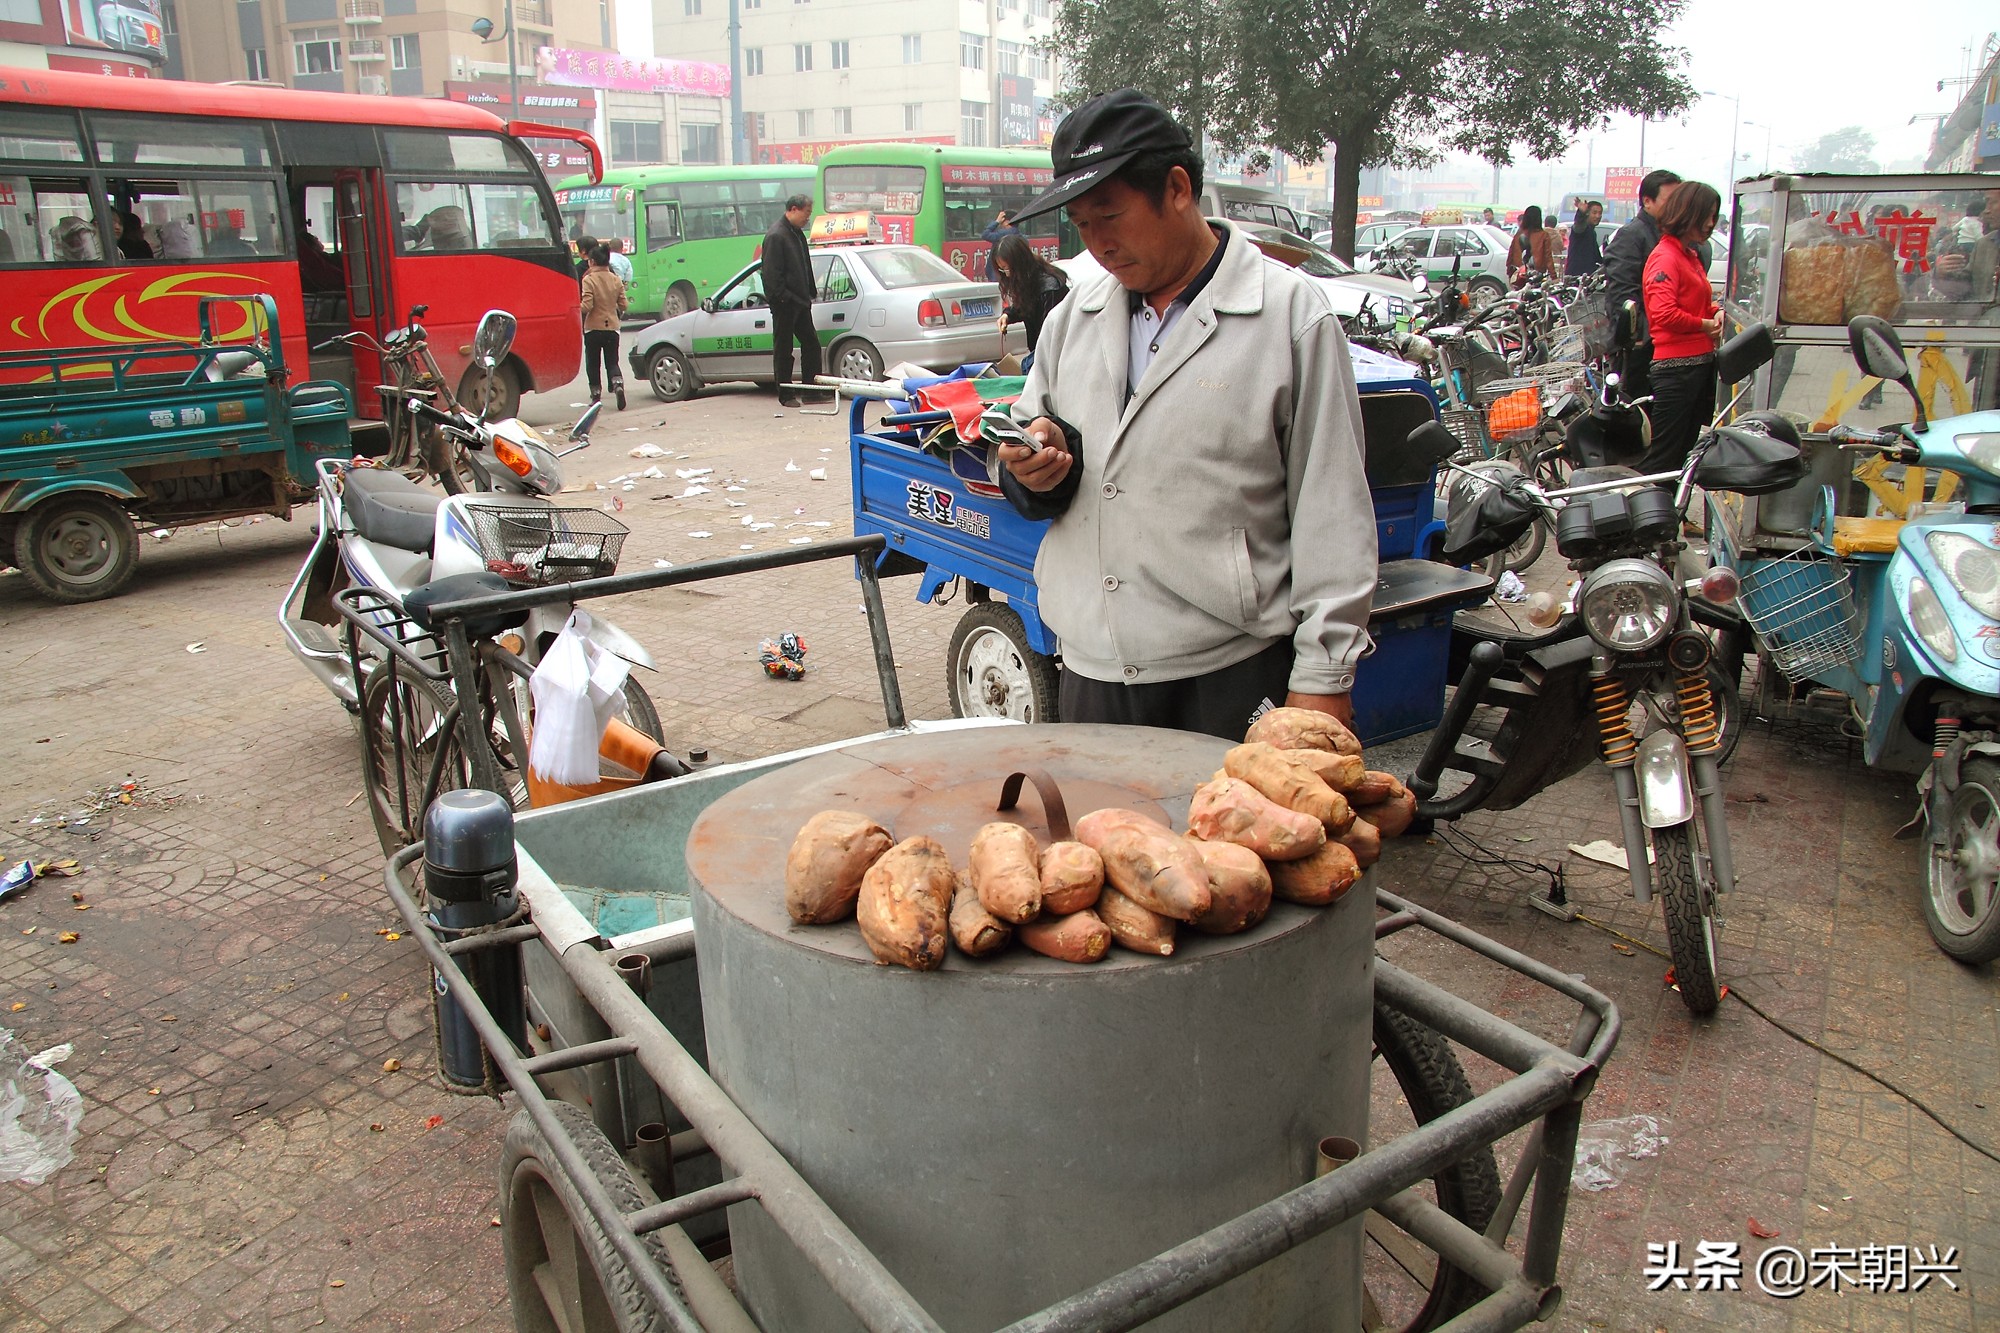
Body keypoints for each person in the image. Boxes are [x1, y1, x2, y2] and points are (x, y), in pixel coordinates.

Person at [990, 88, 1375, 738]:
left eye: (1110, 216)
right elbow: (1033, 466)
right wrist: (1035, 468)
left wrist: (1324, 678)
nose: (1098, 243)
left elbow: (1331, 509)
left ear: (1176, 188)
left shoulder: (1287, 318)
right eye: (1082, 224)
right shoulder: (1070, 323)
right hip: (1092, 674)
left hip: (1228, 678)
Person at [1638, 181, 1723, 477]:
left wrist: (1716, 313)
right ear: (1688, 213)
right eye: (1706, 215)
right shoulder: (1666, 257)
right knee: (1665, 460)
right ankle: (1654, 519)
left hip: (1697, 366)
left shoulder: (1690, 255)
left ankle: (1675, 516)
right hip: (1676, 370)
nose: (1711, 224)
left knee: (1684, 455)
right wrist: (1704, 324)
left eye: (1714, 216)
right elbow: (1663, 313)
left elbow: (1698, 302)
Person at [1601, 169, 1685, 401]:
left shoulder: (1668, 234)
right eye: (1670, 201)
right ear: (1647, 201)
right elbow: (1622, 293)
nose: (1676, 208)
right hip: (1640, 347)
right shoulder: (1632, 235)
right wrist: (1637, 335)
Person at [762, 193, 820, 406]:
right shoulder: (776, 236)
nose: (808, 219)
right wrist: (784, 298)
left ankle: (811, 391)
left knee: (811, 345)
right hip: (785, 304)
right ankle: (785, 394)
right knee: (784, 349)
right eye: (806, 214)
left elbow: (804, 266)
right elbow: (770, 276)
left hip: (801, 301)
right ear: (794, 209)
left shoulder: (796, 233)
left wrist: (810, 292)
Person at [992, 233, 1069, 355]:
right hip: (1040, 353)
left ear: (1019, 263)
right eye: (1002, 269)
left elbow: (1052, 334)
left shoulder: (1050, 289)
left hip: (1053, 355)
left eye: (1007, 268)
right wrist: (1008, 315)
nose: (1007, 274)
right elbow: (1025, 307)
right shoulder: (1029, 281)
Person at [579, 242, 628, 409]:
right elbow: (624, 305)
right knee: (612, 361)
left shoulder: (589, 280)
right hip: (612, 327)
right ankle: (617, 384)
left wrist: (574, 308)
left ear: (592, 261)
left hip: (593, 327)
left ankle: (595, 396)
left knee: (593, 363)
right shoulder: (616, 280)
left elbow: (587, 306)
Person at [1506, 204, 1554, 284]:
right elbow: (1548, 257)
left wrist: (1509, 271)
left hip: (1519, 273)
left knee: (1519, 295)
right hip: (1537, 274)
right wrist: (1553, 276)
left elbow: (1511, 253)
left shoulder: (1518, 234)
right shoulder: (1543, 235)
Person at [1565, 199, 1605, 277]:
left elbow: (1597, 258)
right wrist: (1581, 213)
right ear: (1587, 213)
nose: (1597, 216)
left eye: (1600, 213)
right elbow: (1579, 225)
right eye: (1594, 213)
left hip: (1588, 277)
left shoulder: (1592, 232)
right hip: (1575, 277)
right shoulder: (1582, 230)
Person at [981, 208, 1019, 280]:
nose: (1001, 224)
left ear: (1007, 222)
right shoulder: (1021, 237)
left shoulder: (1003, 234)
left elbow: (985, 235)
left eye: (1002, 221)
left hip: (999, 275)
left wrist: (997, 221)